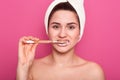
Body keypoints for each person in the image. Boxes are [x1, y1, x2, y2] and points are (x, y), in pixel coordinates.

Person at [16, 0, 105, 80]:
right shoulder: (32, 69)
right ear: (47, 31)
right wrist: (23, 68)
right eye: (56, 26)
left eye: (71, 27)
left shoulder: (93, 72)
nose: (62, 35)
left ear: (79, 32)